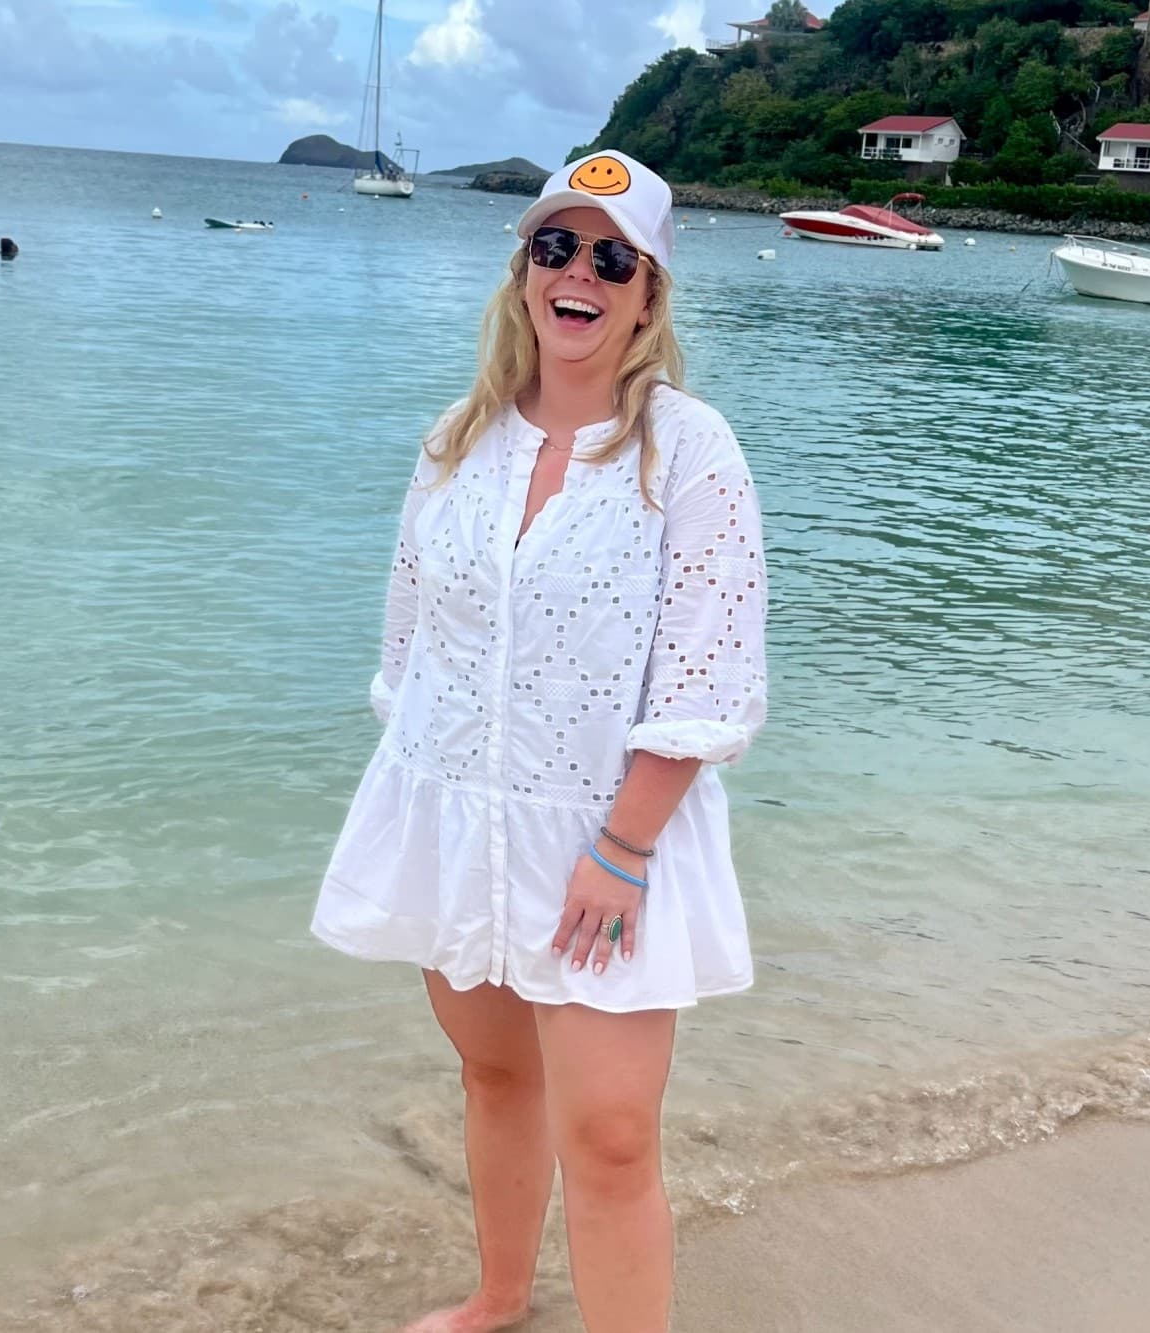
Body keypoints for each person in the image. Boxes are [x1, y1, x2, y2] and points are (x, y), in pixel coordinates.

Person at [312, 150, 768, 1333]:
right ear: (524, 273)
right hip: (460, 816)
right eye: (555, 248)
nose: (579, 274)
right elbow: (410, 649)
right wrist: (419, 821)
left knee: (611, 1138)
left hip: (613, 838)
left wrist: (618, 850)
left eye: (611, 257)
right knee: (494, 1075)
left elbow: (705, 677)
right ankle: (500, 1298)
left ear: (648, 293)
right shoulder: (456, 444)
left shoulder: (689, 449)